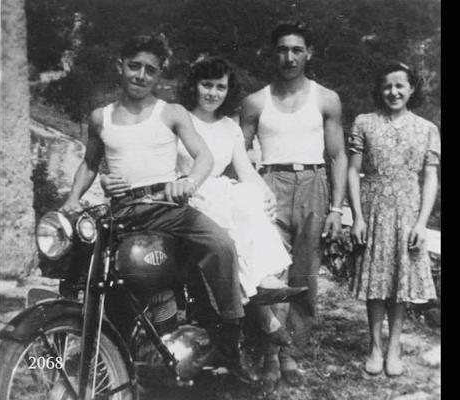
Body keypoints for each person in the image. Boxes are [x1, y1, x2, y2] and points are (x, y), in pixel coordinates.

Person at [59, 34, 256, 383]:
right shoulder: (101, 117)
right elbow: (90, 164)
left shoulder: (172, 112)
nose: (141, 75)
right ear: (120, 65)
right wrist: (74, 198)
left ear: (158, 74)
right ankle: (89, 348)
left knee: (221, 245)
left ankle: (229, 339)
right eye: (134, 66)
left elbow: (205, 156)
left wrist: (188, 183)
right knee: (93, 271)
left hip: (167, 207)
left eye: (150, 69)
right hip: (122, 211)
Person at [239, 22, 348, 389]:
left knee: (304, 275)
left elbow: (337, 155)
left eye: (296, 50)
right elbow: (237, 153)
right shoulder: (256, 102)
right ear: (274, 54)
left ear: (308, 53)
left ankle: (290, 354)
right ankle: (270, 353)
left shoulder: (326, 99)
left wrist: (336, 208)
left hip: (313, 184)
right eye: (283, 49)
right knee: (270, 276)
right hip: (270, 184)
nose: (289, 57)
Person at [176, 56, 295, 348]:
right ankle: (264, 316)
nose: (212, 93)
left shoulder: (229, 127)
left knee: (249, 197)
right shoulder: (179, 119)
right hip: (185, 193)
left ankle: (264, 283)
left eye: (220, 87)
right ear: (194, 85)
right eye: (207, 85)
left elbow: (245, 171)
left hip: (216, 191)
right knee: (225, 219)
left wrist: (265, 193)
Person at [347, 62, 440, 377]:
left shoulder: (426, 128)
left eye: (401, 85)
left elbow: (429, 178)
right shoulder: (364, 123)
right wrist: (357, 217)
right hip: (373, 211)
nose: (394, 91)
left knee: (399, 282)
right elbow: (352, 171)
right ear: (380, 89)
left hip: (407, 213)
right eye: (388, 85)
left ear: (412, 88)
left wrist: (421, 223)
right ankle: (375, 345)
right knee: (375, 283)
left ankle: (395, 346)